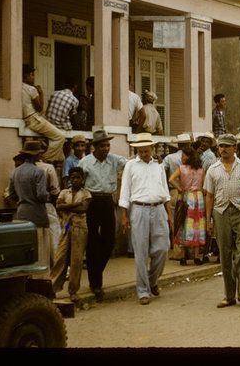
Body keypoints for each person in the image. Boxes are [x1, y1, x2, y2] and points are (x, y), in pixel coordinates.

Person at [204, 134, 240, 308]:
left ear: (235, 148)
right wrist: (208, 220)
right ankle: (229, 296)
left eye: (227, 146)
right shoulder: (213, 169)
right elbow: (209, 195)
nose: (223, 149)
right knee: (225, 255)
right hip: (220, 213)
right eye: (221, 146)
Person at [119, 133, 171, 305]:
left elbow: (165, 192)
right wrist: (124, 215)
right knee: (140, 252)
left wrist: (169, 214)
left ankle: (152, 280)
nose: (143, 154)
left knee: (163, 248)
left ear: (152, 149)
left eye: (146, 151)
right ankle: (143, 290)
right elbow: (125, 191)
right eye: (140, 151)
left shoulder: (159, 166)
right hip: (139, 209)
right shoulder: (130, 166)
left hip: (158, 209)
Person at [78, 129, 128, 301]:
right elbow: (78, 181)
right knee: (92, 241)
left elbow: (130, 165)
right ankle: (96, 283)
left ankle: (95, 271)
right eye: (103, 145)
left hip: (107, 201)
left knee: (109, 241)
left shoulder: (114, 160)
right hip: (91, 201)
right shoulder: (85, 162)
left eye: (108, 145)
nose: (106, 148)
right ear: (95, 147)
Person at [9, 140, 52, 277]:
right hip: (37, 215)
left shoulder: (15, 172)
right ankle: (40, 283)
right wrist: (49, 196)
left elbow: (12, 195)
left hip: (21, 215)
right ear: (36, 155)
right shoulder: (38, 172)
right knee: (41, 253)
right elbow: (41, 195)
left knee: (26, 253)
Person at [51, 167, 91, 303]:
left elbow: (83, 208)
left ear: (82, 179)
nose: (75, 180)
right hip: (66, 227)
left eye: (78, 177)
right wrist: (75, 205)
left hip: (80, 227)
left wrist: (68, 206)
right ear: (69, 179)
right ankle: (53, 288)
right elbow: (59, 207)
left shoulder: (86, 193)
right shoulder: (64, 192)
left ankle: (73, 291)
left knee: (76, 260)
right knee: (60, 257)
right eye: (72, 178)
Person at [169, 146, 207, 266]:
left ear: (188, 156)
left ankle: (184, 256)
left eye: (183, 155)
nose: (181, 157)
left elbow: (171, 179)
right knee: (198, 225)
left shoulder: (181, 168)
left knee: (184, 224)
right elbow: (204, 186)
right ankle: (196, 256)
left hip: (186, 196)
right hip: (198, 197)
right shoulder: (201, 169)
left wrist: (180, 188)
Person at [21, 64, 65, 164]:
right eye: (32, 75)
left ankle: (57, 159)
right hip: (33, 119)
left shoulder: (17, 87)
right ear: (26, 76)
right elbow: (40, 108)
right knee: (60, 137)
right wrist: (40, 93)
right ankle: (44, 160)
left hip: (27, 119)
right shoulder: (31, 89)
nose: (33, 78)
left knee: (61, 155)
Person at [163, 133, 194, 261]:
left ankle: (178, 252)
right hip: (190, 193)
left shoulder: (169, 158)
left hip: (175, 191)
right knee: (189, 222)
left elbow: (163, 173)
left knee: (175, 223)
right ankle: (191, 250)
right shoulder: (194, 158)